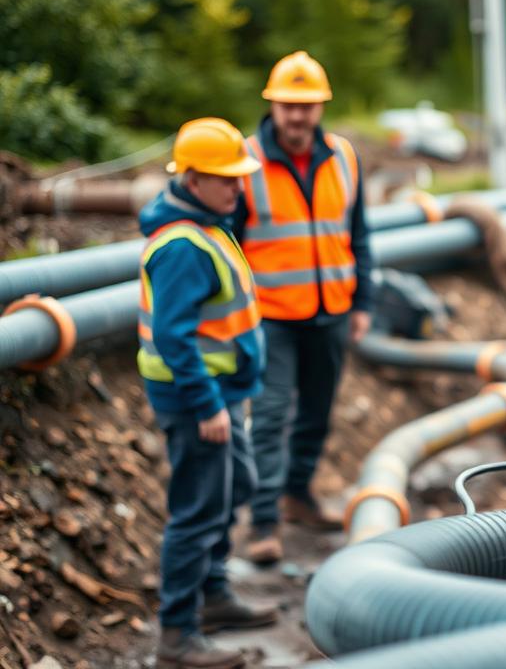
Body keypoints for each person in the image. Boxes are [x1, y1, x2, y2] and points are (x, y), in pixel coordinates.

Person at [139, 118, 277, 668]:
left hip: (221, 392)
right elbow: (174, 338)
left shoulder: (209, 223)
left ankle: (213, 593)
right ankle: (176, 635)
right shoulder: (182, 246)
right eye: (228, 180)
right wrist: (207, 405)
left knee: (235, 484)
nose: (239, 189)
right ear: (193, 179)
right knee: (196, 511)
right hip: (198, 399)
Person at [234, 51, 374, 564]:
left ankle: (299, 494)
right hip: (269, 316)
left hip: (331, 311)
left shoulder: (344, 157)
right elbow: (229, 246)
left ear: (320, 107)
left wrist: (362, 302)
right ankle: (264, 522)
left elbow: (358, 235)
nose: (298, 116)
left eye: (307, 106)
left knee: (316, 414)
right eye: (289, 106)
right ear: (273, 105)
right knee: (269, 417)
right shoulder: (244, 162)